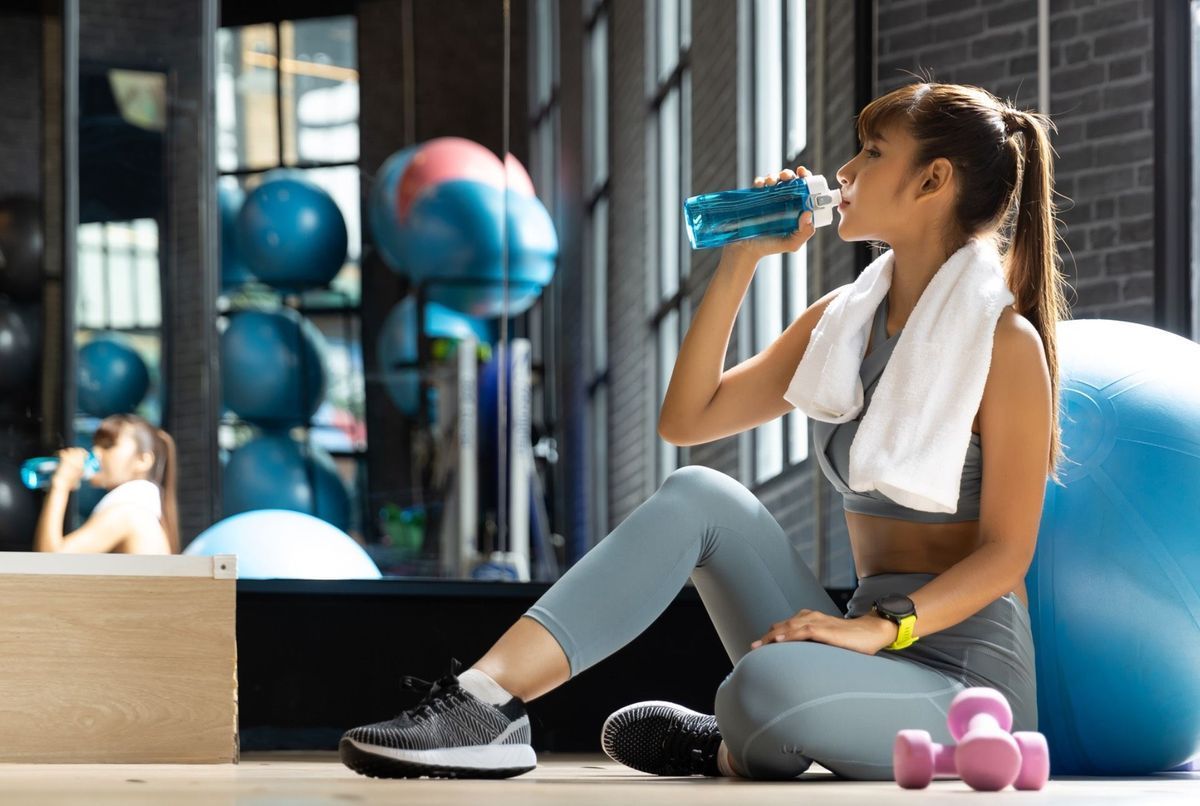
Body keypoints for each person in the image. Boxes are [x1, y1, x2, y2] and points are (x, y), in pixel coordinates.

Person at [339, 81, 1065, 781]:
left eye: (873, 152)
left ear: (932, 180)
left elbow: (1007, 555)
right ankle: (485, 704)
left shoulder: (1004, 345)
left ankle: (734, 741)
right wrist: (740, 259)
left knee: (765, 686)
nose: (844, 171)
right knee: (699, 495)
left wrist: (879, 627)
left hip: (964, 690)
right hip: (854, 645)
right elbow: (687, 421)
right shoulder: (844, 322)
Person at [34, 413, 179, 555]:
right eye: (96, 444)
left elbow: (51, 561)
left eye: (108, 446)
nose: (96, 452)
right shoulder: (141, 512)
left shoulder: (127, 513)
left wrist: (61, 484)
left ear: (142, 460)